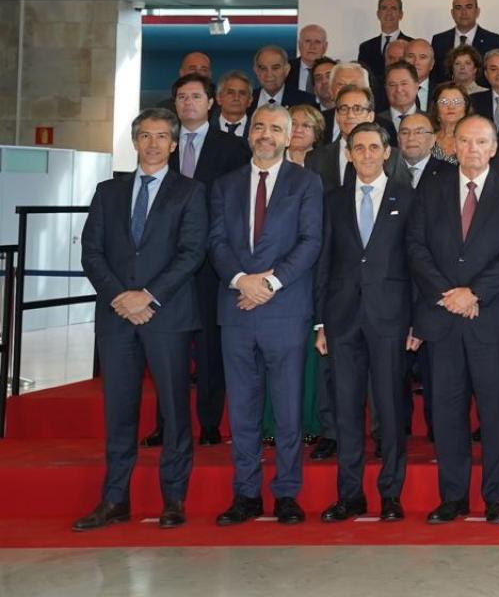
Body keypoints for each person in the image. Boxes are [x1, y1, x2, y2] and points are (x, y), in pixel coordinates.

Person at [74, 109, 208, 532]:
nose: (153, 144)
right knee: (119, 411)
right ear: (134, 142)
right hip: (116, 317)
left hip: (166, 314)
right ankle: (114, 499)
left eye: (161, 136)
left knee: (173, 409)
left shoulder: (190, 192)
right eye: (145, 136)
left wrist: (146, 296)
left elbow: (192, 253)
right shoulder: (108, 191)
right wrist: (120, 297)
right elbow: (91, 252)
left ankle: (174, 499)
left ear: (174, 144)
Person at [408, 114, 499, 526]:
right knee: (447, 412)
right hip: (443, 317)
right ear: (452, 145)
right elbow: (416, 246)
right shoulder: (431, 188)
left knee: (495, 413)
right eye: (464, 141)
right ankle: (453, 497)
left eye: (481, 142)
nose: (472, 149)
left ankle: (496, 497)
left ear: (494, 148)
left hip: (490, 319)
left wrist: (474, 292)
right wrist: (449, 295)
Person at [208, 103, 325, 527]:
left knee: (288, 408)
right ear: (249, 133)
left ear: (289, 136)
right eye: (259, 127)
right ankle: (246, 494)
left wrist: (270, 284)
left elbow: (311, 242)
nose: (266, 135)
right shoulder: (225, 185)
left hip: (285, 310)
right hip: (237, 308)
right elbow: (216, 242)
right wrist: (243, 280)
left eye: (276, 129)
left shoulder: (306, 182)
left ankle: (287, 494)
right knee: (242, 409)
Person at [313, 122, 415, 524]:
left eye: (374, 147)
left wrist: (416, 321)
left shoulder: (408, 197)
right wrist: (319, 322)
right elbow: (323, 263)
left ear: (387, 152)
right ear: (349, 154)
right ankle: (350, 494)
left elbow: (416, 263)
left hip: (391, 319)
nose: (367, 154)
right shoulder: (332, 200)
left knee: (390, 409)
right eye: (359, 148)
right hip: (341, 319)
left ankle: (391, 494)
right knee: (346, 410)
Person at [159, 75, 248, 449]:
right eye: (182, 97)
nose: (188, 103)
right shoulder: (162, 144)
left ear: (211, 103)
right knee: (166, 348)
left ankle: (209, 422)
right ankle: (166, 424)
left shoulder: (232, 147)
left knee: (211, 348)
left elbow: (237, 208)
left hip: (213, 263)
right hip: (166, 263)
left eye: (196, 96)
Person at [430, 0, 499, 83]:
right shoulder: (439, 41)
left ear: (477, 11)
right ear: (452, 13)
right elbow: (434, 75)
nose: (463, 12)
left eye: (469, 7)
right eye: (458, 8)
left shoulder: (494, 41)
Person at [357, 0, 410, 89]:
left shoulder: (411, 44)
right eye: (384, 8)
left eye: (393, 8)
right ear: (378, 14)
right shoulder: (366, 47)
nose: (389, 12)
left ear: (401, 14)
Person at [429, 84, 468, 162]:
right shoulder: (426, 138)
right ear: (435, 108)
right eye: (444, 102)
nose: (451, 107)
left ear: (466, 107)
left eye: (457, 102)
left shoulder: (475, 138)